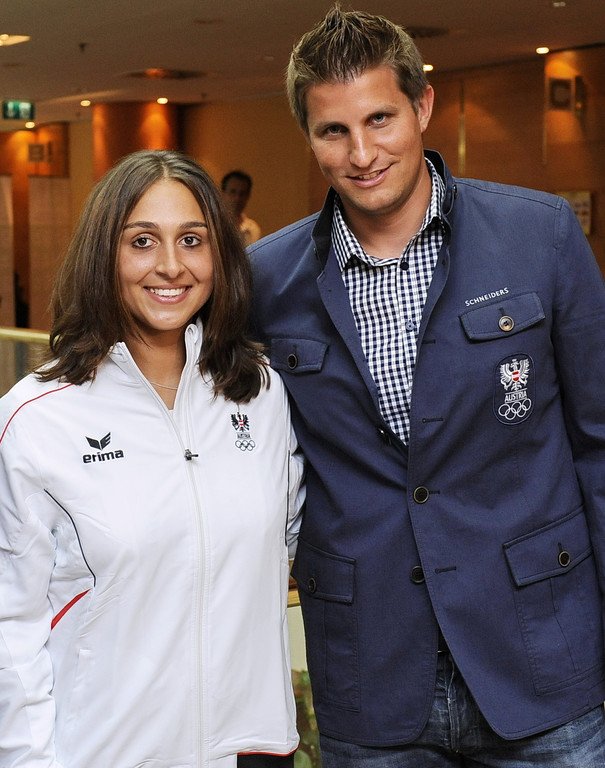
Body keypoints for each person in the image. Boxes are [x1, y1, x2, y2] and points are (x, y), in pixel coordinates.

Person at [248, 6, 605, 767]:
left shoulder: (538, 235)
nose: (361, 153)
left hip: (543, 655)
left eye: (379, 119)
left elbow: (598, 445)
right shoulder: (267, 281)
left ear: (422, 106)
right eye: (333, 130)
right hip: (370, 671)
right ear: (308, 137)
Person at [0, 150, 304, 768]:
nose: (170, 265)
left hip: (250, 748)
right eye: (142, 241)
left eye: (192, 240)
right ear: (103, 255)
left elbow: (288, 543)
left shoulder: (261, 394)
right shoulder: (37, 419)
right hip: (105, 754)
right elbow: (10, 627)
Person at [222, 170, 262, 245]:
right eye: (233, 192)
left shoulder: (253, 229)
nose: (237, 198)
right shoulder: (211, 224)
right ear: (223, 193)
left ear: (248, 196)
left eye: (242, 193)